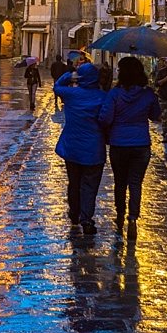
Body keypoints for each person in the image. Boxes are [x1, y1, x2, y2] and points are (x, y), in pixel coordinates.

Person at [99, 56, 162, 236]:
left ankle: (120, 214)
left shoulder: (114, 94)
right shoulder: (148, 94)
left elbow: (105, 118)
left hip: (119, 144)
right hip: (141, 144)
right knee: (136, 183)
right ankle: (133, 219)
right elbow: (155, 116)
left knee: (120, 182)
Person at [54, 62, 108, 235]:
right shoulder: (103, 97)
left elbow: (57, 86)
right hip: (93, 148)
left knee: (74, 182)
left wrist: (69, 76)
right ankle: (86, 219)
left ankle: (74, 213)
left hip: (72, 147)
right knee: (89, 186)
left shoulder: (71, 94)